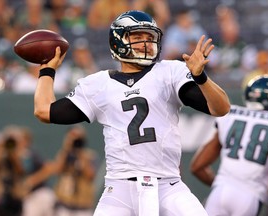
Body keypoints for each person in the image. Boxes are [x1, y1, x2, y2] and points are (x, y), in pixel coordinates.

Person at [33, 10, 230, 216]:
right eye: (137, 37)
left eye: (149, 37)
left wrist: (201, 78)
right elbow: (44, 111)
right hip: (119, 187)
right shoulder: (98, 84)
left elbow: (221, 108)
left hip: (167, 184)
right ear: (118, 41)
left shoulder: (170, 72)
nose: (146, 43)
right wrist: (47, 71)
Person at [190, 75, 268, 216]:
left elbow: (197, 167)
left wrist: (221, 184)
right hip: (250, 196)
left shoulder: (231, 114)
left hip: (220, 192)